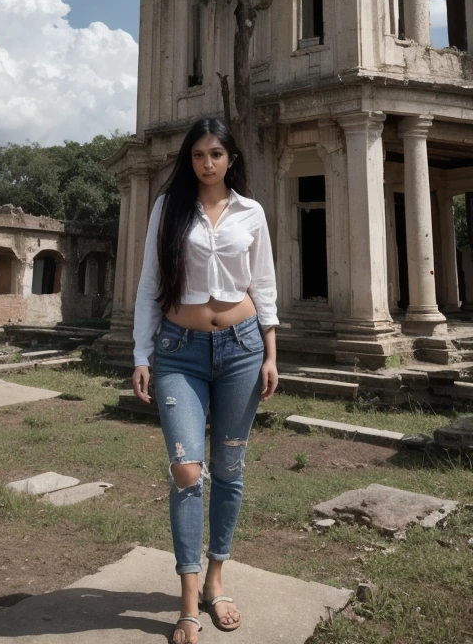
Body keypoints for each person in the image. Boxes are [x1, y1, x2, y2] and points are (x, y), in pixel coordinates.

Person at [132, 117, 279, 644]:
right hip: (180, 352)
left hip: (242, 349)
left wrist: (270, 352)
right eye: (198, 155)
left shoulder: (251, 212)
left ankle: (217, 579)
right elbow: (150, 282)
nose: (207, 163)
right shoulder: (168, 209)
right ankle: (188, 601)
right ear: (189, 160)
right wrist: (140, 353)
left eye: (216, 154)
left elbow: (263, 283)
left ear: (230, 158)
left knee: (230, 470)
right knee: (187, 471)